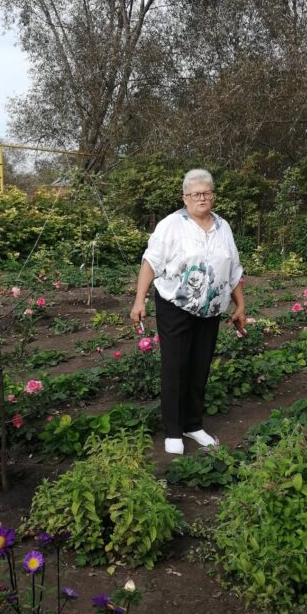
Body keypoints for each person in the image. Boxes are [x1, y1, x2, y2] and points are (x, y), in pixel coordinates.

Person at [130, 169, 245, 455]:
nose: (202, 198)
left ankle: (193, 425)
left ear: (213, 196)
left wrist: (240, 305)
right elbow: (151, 262)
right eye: (196, 194)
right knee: (175, 365)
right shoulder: (171, 225)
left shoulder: (223, 227)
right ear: (185, 198)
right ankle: (172, 430)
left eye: (206, 192)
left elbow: (232, 271)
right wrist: (139, 300)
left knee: (200, 365)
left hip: (210, 311)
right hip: (176, 306)